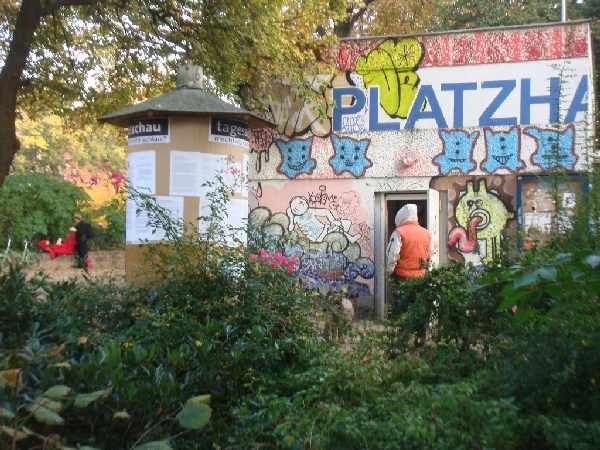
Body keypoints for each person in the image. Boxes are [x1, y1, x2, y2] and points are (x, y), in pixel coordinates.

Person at [386, 204, 432, 345]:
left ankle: (402, 341)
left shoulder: (399, 232)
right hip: (421, 278)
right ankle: (420, 340)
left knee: (401, 310)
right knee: (419, 308)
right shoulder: (427, 233)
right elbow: (431, 254)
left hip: (402, 277)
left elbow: (392, 256)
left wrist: (388, 272)